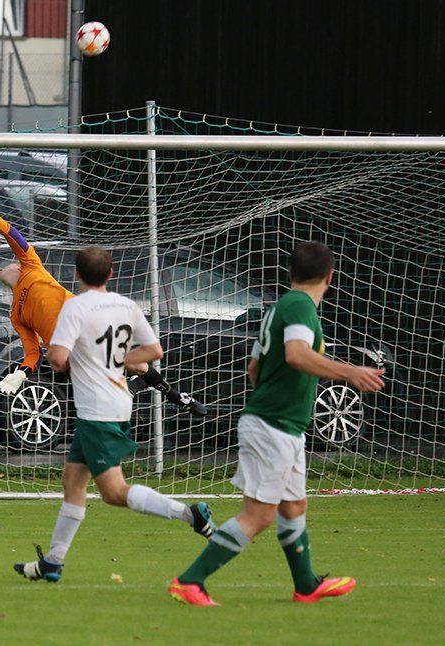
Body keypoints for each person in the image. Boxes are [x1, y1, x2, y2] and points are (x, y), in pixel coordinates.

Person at [168, 241, 385, 606]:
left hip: (282, 423)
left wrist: (278, 393)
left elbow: (254, 369)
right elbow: (296, 354)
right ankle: (189, 581)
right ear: (330, 277)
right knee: (258, 516)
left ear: (290, 273)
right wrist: (349, 371)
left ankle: (306, 586)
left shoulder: (279, 308)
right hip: (274, 425)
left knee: (294, 507)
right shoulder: (300, 306)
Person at [11, 246, 215, 582]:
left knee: (114, 492)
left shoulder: (75, 307)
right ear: (111, 273)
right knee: (73, 480)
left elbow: (58, 358)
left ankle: (190, 515)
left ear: (77, 274)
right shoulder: (126, 306)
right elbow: (154, 351)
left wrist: (66, 358)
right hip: (112, 402)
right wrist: (116, 360)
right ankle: (53, 562)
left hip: (98, 408)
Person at [0, 184, 205, 414]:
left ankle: (175, 396)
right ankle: (138, 390)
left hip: (87, 326)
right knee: (107, 387)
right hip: (70, 351)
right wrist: (22, 373)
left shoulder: (32, 265)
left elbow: (12, 235)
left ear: (17, 266)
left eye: (6, 264)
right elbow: (33, 352)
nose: (2, 268)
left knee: (138, 366)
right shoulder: (16, 314)